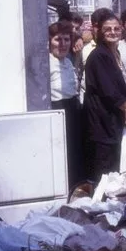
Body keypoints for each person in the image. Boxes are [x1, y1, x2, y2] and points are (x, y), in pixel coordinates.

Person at [83, 13, 126, 180]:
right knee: (104, 165)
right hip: (101, 118)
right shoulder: (99, 55)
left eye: (116, 28)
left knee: (113, 161)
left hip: (112, 117)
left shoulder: (115, 52)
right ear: (99, 31)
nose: (112, 32)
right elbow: (108, 89)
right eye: (107, 29)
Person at [48, 21, 83, 185]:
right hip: (56, 110)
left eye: (66, 39)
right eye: (57, 39)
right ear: (49, 41)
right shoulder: (46, 64)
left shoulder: (68, 61)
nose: (62, 44)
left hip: (72, 109)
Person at [80, 8, 115, 104]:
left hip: (115, 103)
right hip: (92, 104)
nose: (100, 30)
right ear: (92, 26)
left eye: (104, 26)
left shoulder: (116, 47)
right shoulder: (83, 49)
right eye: (96, 26)